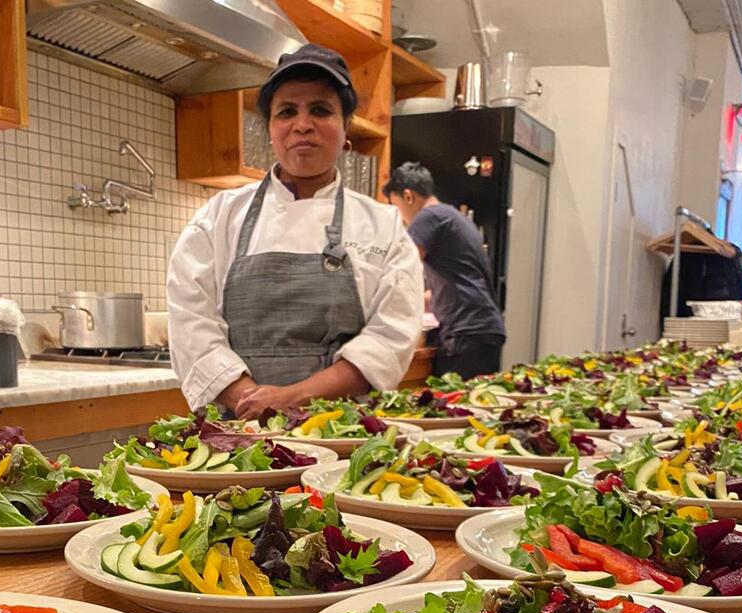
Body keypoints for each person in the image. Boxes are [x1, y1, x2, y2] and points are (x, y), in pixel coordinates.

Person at [167, 45, 424, 416]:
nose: (303, 124)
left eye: (320, 110)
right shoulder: (218, 217)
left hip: (341, 432)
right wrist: (251, 401)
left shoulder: (382, 227)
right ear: (271, 129)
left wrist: (293, 398)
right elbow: (191, 323)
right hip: (235, 432)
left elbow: (390, 337)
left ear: (345, 126)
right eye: (287, 111)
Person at [384, 162, 506, 379]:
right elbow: (458, 282)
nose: (402, 218)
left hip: (464, 331)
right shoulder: (454, 217)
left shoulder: (428, 217)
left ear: (408, 196)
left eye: (397, 207)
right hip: (483, 328)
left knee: (453, 406)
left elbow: (401, 268)